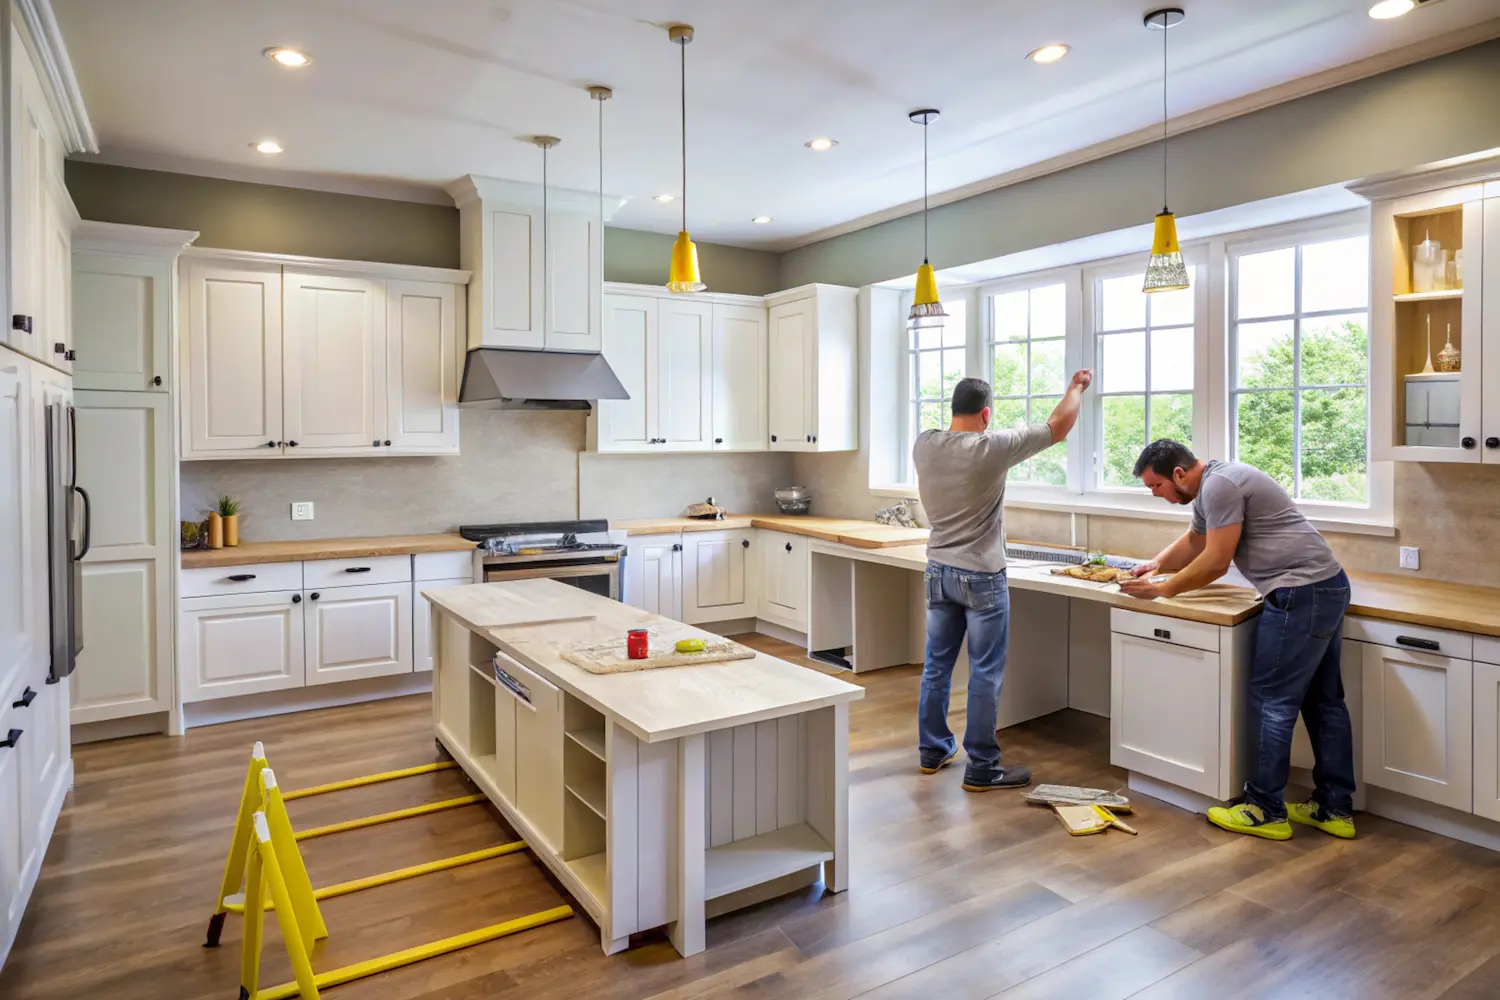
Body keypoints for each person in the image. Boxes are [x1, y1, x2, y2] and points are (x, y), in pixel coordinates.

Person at [1121, 439, 1356, 841]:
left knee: (1273, 702)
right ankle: (1333, 808)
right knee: (1323, 701)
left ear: (1178, 474)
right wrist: (1156, 565)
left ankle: (1265, 809)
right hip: (1324, 587)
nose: (1156, 495)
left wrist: (1164, 590)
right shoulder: (1211, 484)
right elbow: (1196, 541)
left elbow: (1215, 561)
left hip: (1300, 594)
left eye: (1156, 486)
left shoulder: (1219, 486)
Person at [913, 371, 1091, 791]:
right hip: (982, 577)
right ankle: (982, 767)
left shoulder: (925, 442)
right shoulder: (991, 447)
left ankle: (932, 750)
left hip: (938, 570)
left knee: (936, 665)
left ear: (954, 410)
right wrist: (1076, 388)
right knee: (985, 672)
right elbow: (1058, 427)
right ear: (986, 413)